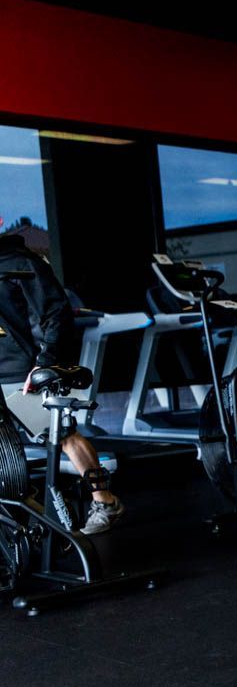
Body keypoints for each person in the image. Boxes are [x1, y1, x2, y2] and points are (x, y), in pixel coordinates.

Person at [0, 227, 123, 533]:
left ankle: (105, 501)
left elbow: (54, 313)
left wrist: (44, 364)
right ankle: (29, 512)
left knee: (61, 436)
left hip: (23, 371)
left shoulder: (21, 263)